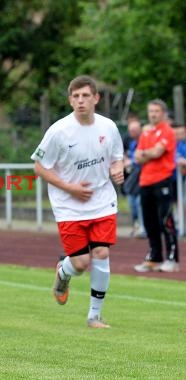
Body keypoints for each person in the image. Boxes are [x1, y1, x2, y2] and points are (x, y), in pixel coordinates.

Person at [31, 75, 124, 328]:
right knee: (81, 263)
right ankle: (64, 271)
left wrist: (118, 169)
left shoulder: (108, 127)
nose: (80, 101)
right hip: (69, 206)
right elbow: (40, 167)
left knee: (102, 252)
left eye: (85, 96)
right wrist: (69, 187)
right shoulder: (59, 131)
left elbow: (117, 158)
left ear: (96, 98)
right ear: (70, 100)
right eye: (75, 96)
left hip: (102, 201)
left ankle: (94, 315)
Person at [133, 100, 180, 273]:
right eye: (151, 111)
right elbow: (138, 156)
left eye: (156, 111)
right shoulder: (146, 133)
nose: (153, 114)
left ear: (163, 113)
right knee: (149, 222)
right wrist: (148, 153)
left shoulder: (167, 131)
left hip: (163, 180)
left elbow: (158, 152)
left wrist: (147, 153)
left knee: (166, 220)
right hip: (145, 181)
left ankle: (172, 258)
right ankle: (154, 257)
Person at [122, 118, 145, 238]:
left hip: (143, 177)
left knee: (139, 202)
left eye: (135, 130)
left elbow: (143, 157)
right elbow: (127, 155)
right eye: (131, 130)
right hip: (132, 178)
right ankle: (136, 225)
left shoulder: (145, 141)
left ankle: (143, 227)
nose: (132, 132)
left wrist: (132, 162)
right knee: (132, 202)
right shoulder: (131, 143)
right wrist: (126, 160)